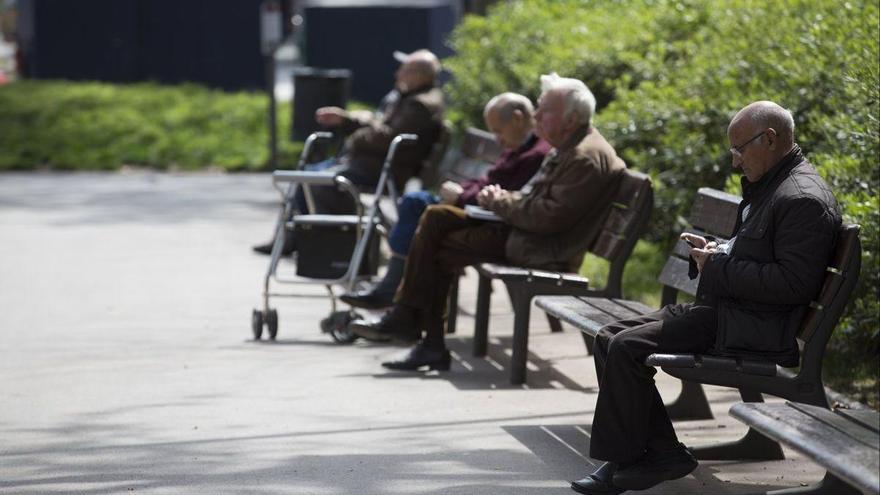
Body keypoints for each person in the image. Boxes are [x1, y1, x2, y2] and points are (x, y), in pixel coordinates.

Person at [570, 101, 841, 495]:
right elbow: (758, 251)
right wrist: (718, 249)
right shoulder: (774, 186)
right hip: (727, 310)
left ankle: (636, 459)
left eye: (739, 149)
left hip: (752, 326)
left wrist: (715, 266)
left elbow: (792, 284)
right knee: (610, 336)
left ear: (769, 139)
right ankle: (659, 452)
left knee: (628, 348)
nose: (735, 161)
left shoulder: (801, 198)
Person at [350, 73, 627, 371]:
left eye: (544, 110)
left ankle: (414, 327)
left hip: (542, 247)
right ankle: (416, 330)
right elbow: (536, 203)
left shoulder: (584, 156)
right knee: (436, 221)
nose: (536, 116)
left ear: (570, 119)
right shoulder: (571, 145)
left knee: (436, 231)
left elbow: (547, 217)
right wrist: (504, 198)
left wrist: (499, 200)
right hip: (527, 236)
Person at [340, 92, 551, 309]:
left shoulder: (533, 155)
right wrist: (461, 191)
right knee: (417, 204)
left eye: (498, 131)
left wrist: (460, 195)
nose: (497, 140)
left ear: (517, 118)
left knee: (421, 210)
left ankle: (397, 295)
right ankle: (397, 294)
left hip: (488, 221)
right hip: (474, 210)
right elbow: (487, 182)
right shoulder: (519, 147)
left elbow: (501, 195)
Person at [253, 49, 445, 255]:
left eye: (404, 70)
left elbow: (386, 137)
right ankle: (296, 239)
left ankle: (326, 245)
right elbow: (380, 126)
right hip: (370, 164)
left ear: (418, 75)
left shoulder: (419, 105)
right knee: (305, 176)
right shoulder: (409, 97)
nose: (397, 74)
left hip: (379, 170)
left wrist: (355, 134)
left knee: (312, 181)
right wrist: (348, 120)